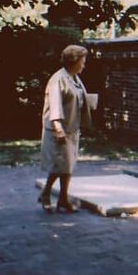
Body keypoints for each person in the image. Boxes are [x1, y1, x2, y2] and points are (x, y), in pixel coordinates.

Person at [38, 45, 92, 213]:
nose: (84, 65)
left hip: (72, 128)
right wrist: (58, 129)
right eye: (82, 62)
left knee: (66, 166)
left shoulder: (74, 77)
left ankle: (60, 198)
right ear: (74, 61)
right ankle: (49, 194)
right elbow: (55, 104)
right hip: (59, 129)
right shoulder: (58, 79)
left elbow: (76, 97)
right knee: (61, 165)